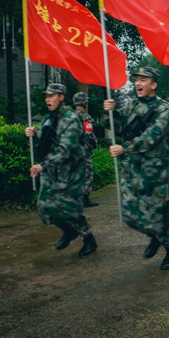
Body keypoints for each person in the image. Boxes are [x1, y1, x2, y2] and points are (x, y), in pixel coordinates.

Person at [103, 67, 169, 270]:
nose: (138, 83)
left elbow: (152, 138)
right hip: (135, 170)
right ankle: (153, 235)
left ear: (153, 84)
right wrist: (109, 112)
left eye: (143, 79)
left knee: (158, 213)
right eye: (136, 79)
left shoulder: (164, 109)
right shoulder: (131, 105)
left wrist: (125, 148)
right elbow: (117, 126)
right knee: (131, 211)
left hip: (157, 171)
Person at [25, 84, 97, 257]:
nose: (48, 99)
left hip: (72, 170)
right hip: (54, 169)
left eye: (52, 96)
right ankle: (69, 231)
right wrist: (34, 133)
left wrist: (42, 165)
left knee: (72, 209)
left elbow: (66, 149)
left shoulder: (71, 118)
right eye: (46, 96)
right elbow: (46, 137)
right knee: (44, 206)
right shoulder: (49, 118)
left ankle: (89, 239)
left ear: (61, 97)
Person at [72, 91, 100, 208]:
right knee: (87, 173)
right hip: (85, 150)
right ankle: (85, 199)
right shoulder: (85, 117)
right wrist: (94, 144)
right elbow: (89, 133)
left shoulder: (70, 116)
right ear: (84, 102)